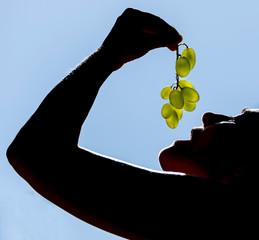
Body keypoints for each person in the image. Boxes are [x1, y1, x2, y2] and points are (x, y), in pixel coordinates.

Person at [6, 8, 258, 239]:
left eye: (239, 120)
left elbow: (37, 153)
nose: (209, 116)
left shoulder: (227, 215)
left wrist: (110, 54)